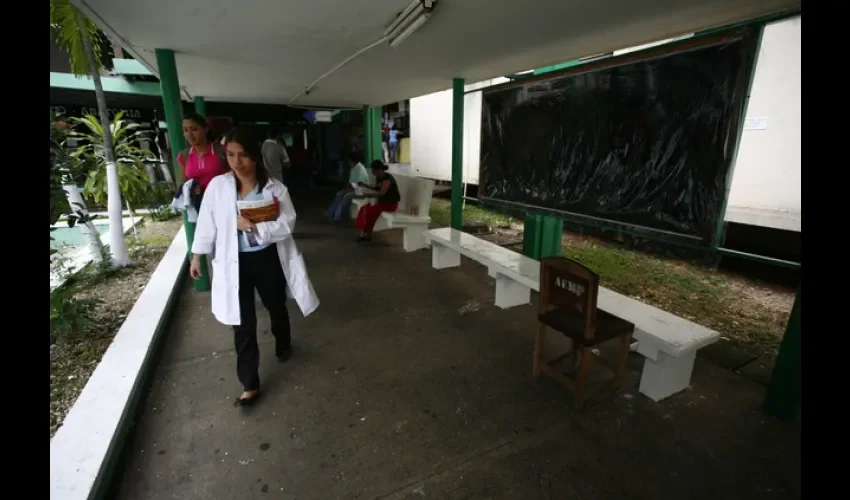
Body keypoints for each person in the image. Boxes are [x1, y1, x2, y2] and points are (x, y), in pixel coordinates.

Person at [189, 127, 320, 406]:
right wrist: (197, 255)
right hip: (233, 261)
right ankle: (250, 383)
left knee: (275, 303)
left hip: (265, 257)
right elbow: (206, 221)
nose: (237, 162)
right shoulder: (218, 186)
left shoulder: (274, 187)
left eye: (244, 155)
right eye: (231, 155)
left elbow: (288, 223)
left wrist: (254, 226)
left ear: (255, 157)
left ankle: (282, 342)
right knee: (242, 322)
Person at [177, 112, 229, 201]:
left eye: (194, 129)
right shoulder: (184, 156)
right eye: (185, 130)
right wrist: (190, 187)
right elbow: (182, 183)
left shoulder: (222, 151)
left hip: (222, 201)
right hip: (196, 206)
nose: (189, 134)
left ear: (205, 129)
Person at [354, 160, 401, 242]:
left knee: (370, 211)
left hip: (390, 204)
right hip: (382, 203)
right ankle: (366, 233)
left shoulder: (387, 179)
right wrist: (365, 185)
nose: (372, 172)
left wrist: (368, 195)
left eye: (373, 170)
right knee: (364, 209)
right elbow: (376, 188)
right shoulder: (379, 178)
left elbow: (381, 193)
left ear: (379, 170)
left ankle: (365, 234)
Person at [325, 151, 370, 222]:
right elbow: (351, 184)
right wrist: (343, 190)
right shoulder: (353, 169)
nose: (348, 162)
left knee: (347, 196)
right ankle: (329, 213)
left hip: (362, 191)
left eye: (349, 160)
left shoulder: (360, 169)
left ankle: (337, 216)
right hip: (355, 190)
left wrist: (345, 191)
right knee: (339, 195)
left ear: (352, 161)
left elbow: (358, 185)